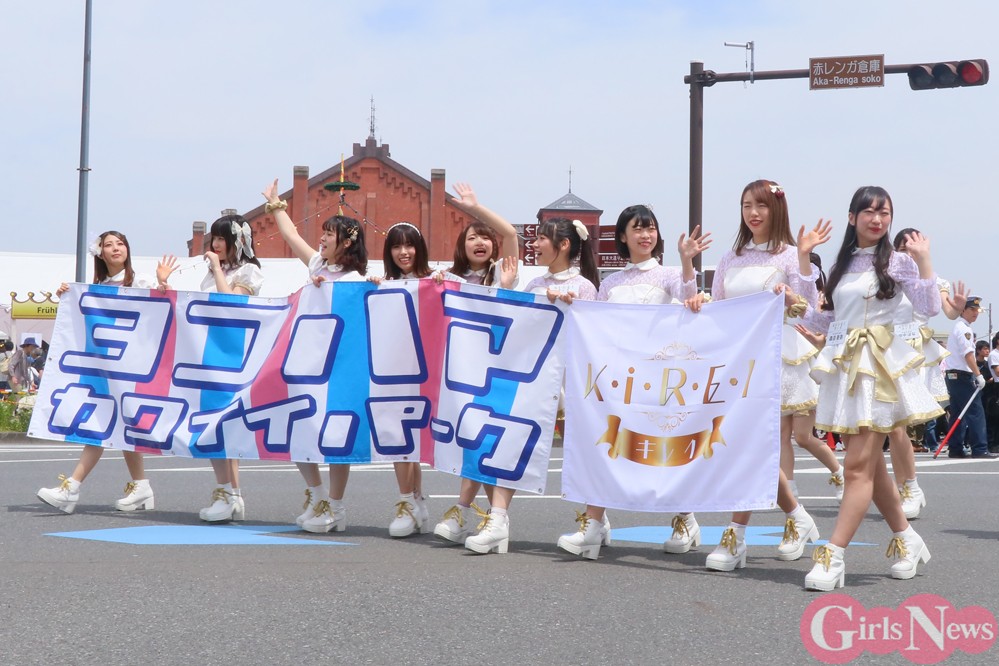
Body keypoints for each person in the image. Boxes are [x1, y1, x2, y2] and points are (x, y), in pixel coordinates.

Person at [800, 186, 942, 590]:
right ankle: (907, 538)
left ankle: (833, 554)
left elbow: (929, 307)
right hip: (847, 367)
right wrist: (801, 272)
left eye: (885, 212)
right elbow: (826, 319)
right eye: (869, 211)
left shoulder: (898, 261)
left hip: (880, 368)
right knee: (871, 465)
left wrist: (924, 260)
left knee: (857, 466)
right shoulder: (841, 264)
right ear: (853, 217)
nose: (877, 219)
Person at [683, 180, 829, 570]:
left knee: (752, 445)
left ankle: (737, 534)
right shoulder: (730, 258)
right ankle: (796, 516)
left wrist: (800, 270)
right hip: (736, 361)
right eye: (747, 205)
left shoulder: (790, 255)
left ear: (776, 209)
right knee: (742, 444)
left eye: (761, 205)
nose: (753, 213)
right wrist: (699, 301)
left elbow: (810, 310)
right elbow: (718, 308)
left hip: (775, 357)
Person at [556, 203, 710, 560]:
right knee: (607, 446)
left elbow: (687, 292)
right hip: (619, 381)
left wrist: (687, 260)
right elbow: (594, 324)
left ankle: (686, 520)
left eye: (650, 228)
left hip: (660, 380)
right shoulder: (611, 282)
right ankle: (594, 524)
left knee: (663, 450)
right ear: (622, 237)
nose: (645, 235)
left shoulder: (668, 274)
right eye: (637, 229)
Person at [36, 231, 174, 514]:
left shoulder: (140, 281)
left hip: (134, 367)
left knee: (106, 422)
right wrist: (67, 297)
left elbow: (164, 309)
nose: (116, 248)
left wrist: (163, 283)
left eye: (120, 243)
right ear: (100, 253)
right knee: (114, 424)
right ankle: (139, 486)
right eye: (109, 245)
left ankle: (72, 487)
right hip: (107, 367)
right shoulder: (96, 288)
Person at [262, 180, 367, 533]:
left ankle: (335, 506)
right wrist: (277, 205)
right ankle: (317, 495)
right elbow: (291, 236)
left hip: (338, 366)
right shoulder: (316, 265)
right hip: (307, 362)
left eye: (329, 234)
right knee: (298, 425)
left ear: (347, 242)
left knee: (336, 435)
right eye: (322, 233)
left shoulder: (357, 279)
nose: (322, 239)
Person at [430, 183, 520, 550]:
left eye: (484, 237)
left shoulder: (502, 273)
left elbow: (511, 233)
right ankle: (483, 515)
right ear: (461, 247)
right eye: (472, 238)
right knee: (473, 440)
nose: (479, 242)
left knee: (492, 440)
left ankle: (472, 512)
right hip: (461, 374)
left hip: (500, 370)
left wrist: (475, 207)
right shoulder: (450, 279)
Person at [161, 214, 264, 521]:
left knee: (220, 425)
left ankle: (227, 493)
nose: (216, 245)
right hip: (209, 352)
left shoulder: (249, 271)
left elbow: (230, 304)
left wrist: (218, 269)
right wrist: (165, 286)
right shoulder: (213, 272)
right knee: (215, 423)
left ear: (238, 241)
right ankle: (231, 494)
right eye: (214, 239)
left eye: (222, 239)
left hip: (234, 354)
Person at [886, 228, 968, 518]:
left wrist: (957, 308)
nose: (909, 253)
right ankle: (905, 487)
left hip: (917, 354)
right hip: (889, 350)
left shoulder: (932, 279)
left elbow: (947, 311)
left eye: (914, 247)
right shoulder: (888, 279)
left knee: (899, 425)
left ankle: (909, 487)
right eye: (903, 248)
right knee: (892, 426)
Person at [941, 296, 994, 459]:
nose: (975, 313)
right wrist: (978, 374)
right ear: (962, 310)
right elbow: (968, 354)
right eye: (972, 309)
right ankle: (980, 448)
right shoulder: (964, 329)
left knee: (958, 412)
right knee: (975, 412)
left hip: (954, 376)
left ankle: (955, 448)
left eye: (977, 310)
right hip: (962, 376)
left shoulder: (960, 327)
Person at [986, 332, 999, 452]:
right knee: (996, 417)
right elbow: (997, 372)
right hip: (997, 385)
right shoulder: (994, 354)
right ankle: (995, 444)